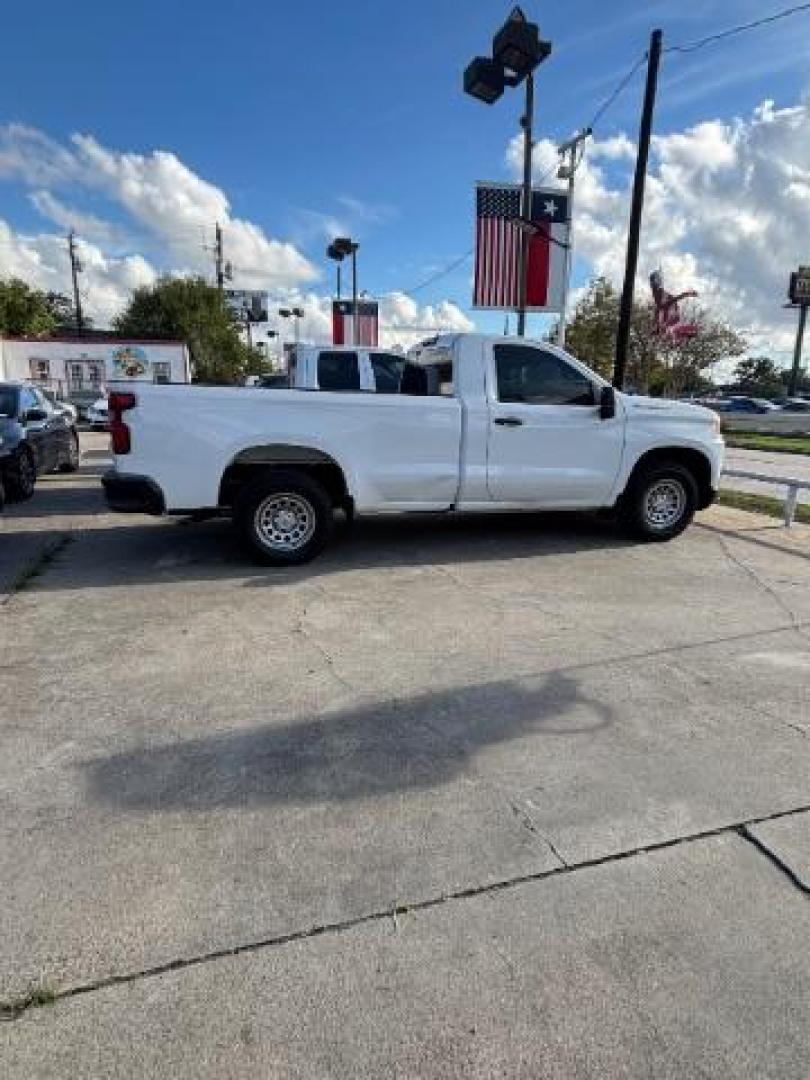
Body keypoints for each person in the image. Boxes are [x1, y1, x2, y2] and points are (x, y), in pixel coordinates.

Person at [650, 270, 699, 341]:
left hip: (671, 310)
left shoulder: (659, 293)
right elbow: (661, 306)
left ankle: (684, 332)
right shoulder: (657, 293)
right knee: (665, 323)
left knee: (665, 322)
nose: (652, 286)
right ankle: (683, 332)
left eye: (653, 283)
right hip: (669, 311)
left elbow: (667, 303)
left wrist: (686, 294)